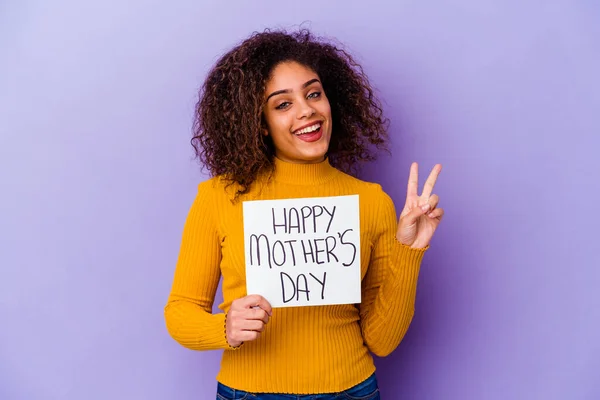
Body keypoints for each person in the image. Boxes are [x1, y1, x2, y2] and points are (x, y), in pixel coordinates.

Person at [164, 28, 444, 399]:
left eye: (313, 94)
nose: (306, 110)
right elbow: (181, 310)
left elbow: (383, 340)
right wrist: (224, 329)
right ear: (260, 124)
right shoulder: (219, 197)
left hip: (352, 391)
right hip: (249, 393)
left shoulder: (371, 201)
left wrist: (410, 250)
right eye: (283, 104)